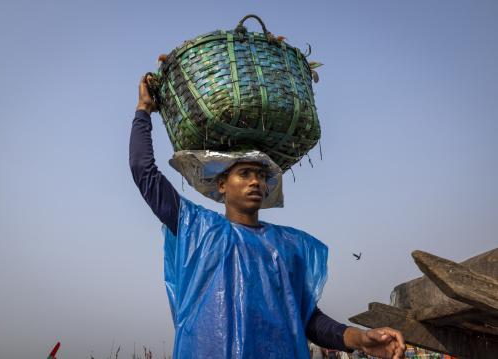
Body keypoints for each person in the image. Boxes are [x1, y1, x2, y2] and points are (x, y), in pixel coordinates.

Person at [130, 77, 406, 359]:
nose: (256, 182)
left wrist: (360, 338)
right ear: (222, 184)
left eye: (261, 176)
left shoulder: (288, 245)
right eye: (245, 174)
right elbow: (143, 170)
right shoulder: (198, 229)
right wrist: (143, 109)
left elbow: (307, 319)